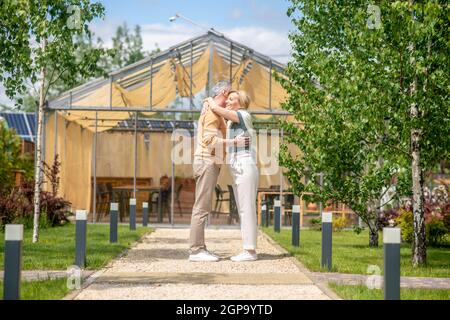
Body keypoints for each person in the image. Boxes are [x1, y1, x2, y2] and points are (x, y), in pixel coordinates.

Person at [188, 81, 249, 262]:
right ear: (223, 91)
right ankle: (196, 250)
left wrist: (208, 100)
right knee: (201, 207)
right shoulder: (213, 113)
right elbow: (209, 140)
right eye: (229, 94)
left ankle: (200, 248)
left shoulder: (214, 110)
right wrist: (234, 143)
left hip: (209, 162)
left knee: (203, 206)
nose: (230, 99)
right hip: (206, 162)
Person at [203, 90, 259, 262]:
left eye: (231, 99)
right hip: (238, 166)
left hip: (244, 165)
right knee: (243, 208)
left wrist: (210, 101)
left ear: (240, 102)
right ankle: (248, 249)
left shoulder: (243, 115)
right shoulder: (233, 120)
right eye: (227, 99)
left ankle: (250, 251)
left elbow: (219, 110)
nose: (227, 101)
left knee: (246, 208)